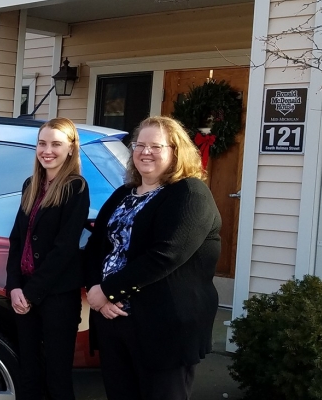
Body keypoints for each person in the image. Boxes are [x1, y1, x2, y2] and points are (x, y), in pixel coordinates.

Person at [83, 116, 221, 400]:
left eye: (156, 146)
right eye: (139, 145)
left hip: (163, 327)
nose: (145, 152)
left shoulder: (190, 193)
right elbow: (96, 246)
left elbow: (166, 255)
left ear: (175, 151)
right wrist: (97, 291)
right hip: (115, 320)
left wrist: (108, 291)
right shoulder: (124, 193)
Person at [5, 117, 90, 400]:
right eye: (42, 143)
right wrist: (14, 286)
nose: (47, 150)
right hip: (24, 293)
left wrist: (30, 292)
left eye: (56, 144)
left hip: (57, 296)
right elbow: (17, 239)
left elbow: (65, 248)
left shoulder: (75, 187)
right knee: (29, 372)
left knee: (57, 376)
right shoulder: (31, 184)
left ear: (70, 149)